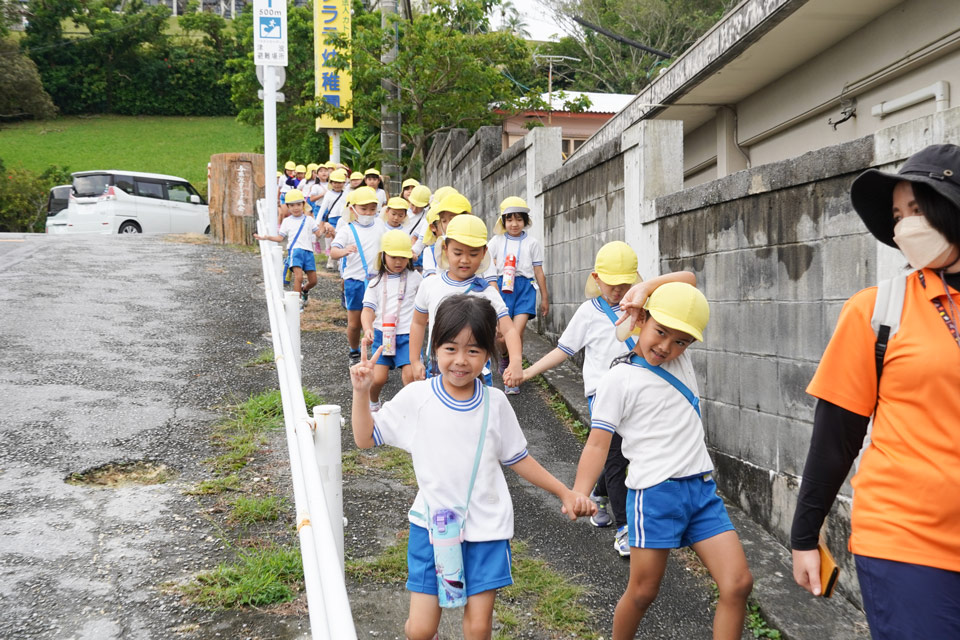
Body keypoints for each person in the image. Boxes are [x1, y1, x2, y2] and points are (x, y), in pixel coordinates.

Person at [349, 294, 595, 640]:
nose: (461, 361)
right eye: (450, 349)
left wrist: (564, 492)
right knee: (420, 630)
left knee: (478, 628)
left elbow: (518, 458)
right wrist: (361, 393)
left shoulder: (495, 404)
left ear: (489, 355)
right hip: (432, 529)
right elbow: (365, 437)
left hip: (487, 530)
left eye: (473, 351)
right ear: (434, 349)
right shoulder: (418, 397)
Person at [790, 143, 960, 639]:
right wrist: (804, 536)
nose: (907, 225)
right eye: (897, 214)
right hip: (906, 542)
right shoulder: (879, 309)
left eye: (919, 209)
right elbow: (835, 435)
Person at [572, 282, 753, 640]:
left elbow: (688, 280)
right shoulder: (618, 379)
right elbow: (597, 445)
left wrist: (643, 289)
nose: (666, 347)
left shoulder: (679, 360)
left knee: (738, 584)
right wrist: (580, 491)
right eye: (660, 332)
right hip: (654, 495)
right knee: (643, 592)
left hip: (701, 491)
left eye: (681, 341)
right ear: (643, 321)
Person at [523, 241, 696, 554]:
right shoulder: (588, 313)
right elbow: (563, 351)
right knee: (616, 460)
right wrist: (527, 372)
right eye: (612, 284)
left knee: (623, 457)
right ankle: (624, 528)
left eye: (625, 283)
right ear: (596, 278)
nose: (618, 291)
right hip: (604, 398)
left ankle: (601, 493)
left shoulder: (646, 306)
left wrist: (645, 288)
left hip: (641, 396)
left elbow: (689, 281)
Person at [408, 209, 523, 387]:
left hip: (479, 374)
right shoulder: (430, 285)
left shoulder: (487, 292)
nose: (465, 260)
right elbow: (417, 323)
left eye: (473, 253)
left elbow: (508, 330)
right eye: (458, 252)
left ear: (484, 253)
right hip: (439, 370)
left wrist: (515, 361)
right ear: (446, 249)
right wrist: (415, 361)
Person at [486, 197, 549, 394]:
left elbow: (539, 271)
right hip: (501, 288)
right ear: (503, 221)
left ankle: (513, 375)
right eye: (510, 219)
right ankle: (506, 358)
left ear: (525, 221)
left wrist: (545, 298)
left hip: (524, 289)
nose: (514, 224)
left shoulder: (532, 243)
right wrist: (492, 291)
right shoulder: (496, 241)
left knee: (516, 331)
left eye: (519, 219)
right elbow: (487, 268)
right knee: (501, 337)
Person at [360, 230, 424, 411]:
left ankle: (412, 409)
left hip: (407, 335)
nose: (398, 262)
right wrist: (367, 328)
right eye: (393, 257)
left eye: (403, 258)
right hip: (382, 335)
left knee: (410, 376)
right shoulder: (375, 281)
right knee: (378, 378)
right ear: (383, 256)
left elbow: (424, 301)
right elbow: (367, 309)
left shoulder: (415, 278)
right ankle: (373, 402)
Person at [331, 186, 387, 365]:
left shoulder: (380, 225)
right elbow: (333, 251)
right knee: (355, 323)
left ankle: (380, 355)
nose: (368, 213)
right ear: (352, 209)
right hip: (354, 282)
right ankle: (354, 351)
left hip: (377, 281)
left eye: (372, 209)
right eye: (363, 209)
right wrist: (344, 251)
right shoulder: (347, 230)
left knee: (378, 321)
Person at [252, 189, 323, 311]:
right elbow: (280, 238)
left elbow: (318, 234)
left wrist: (324, 229)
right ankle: (296, 303)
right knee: (298, 277)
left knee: (313, 281)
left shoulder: (309, 220)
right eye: (292, 205)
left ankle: (304, 290)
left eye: (298, 204)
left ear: (303, 205)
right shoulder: (287, 221)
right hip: (295, 251)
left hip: (308, 252)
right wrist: (266, 237)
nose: (295, 208)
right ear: (288, 207)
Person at [417, 188, 465, 278]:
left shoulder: (477, 245)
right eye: (444, 221)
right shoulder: (431, 252)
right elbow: (432, 281)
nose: (449, 225)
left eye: (453, 219)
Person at [319, 169, 349, 270]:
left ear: (344, 183)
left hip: (343, 219)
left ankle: (340, 261)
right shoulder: (328, 194)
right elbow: (323, 208)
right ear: (331, 183)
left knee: (343, 240)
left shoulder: (346, 193)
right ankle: (331, 259)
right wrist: (317, 223)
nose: (337, 185)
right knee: (334, 239)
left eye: (340, 182)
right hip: (332, 219)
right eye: (335, 182)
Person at [407, 184, 432, 272]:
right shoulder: (402, 212)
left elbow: (420, 238)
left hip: (415, 255)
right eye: (412, 205)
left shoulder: (426, 216)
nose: (414, 209)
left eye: (418, 207)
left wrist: (414, 252)